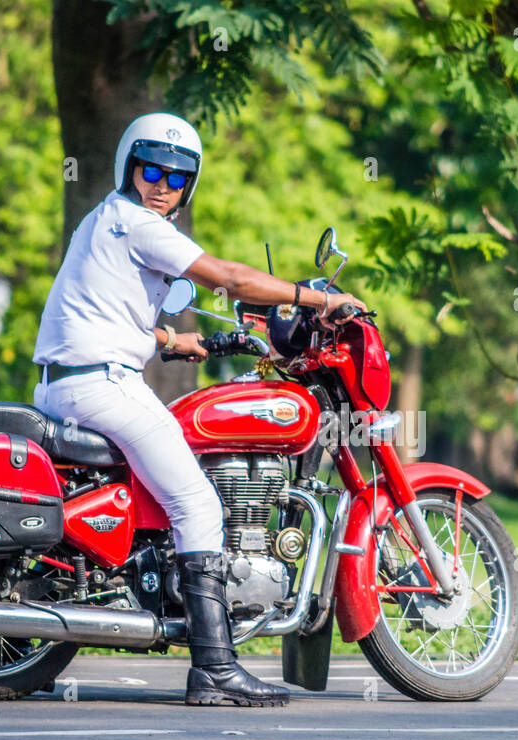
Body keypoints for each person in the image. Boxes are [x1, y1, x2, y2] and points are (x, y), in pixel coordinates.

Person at [31, 113, 366, 706]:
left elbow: (102, 308)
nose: (161, 184)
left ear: (190, 184)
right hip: (102, 385)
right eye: (150, 170)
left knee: (173, 490)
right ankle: (214, 668)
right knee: (198, 504)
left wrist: (173, 341)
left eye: (176, 177)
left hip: (73, 380)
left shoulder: (105, 220)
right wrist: (320, 298)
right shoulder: (140, 223)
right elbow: (230, 279)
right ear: (129, 168)